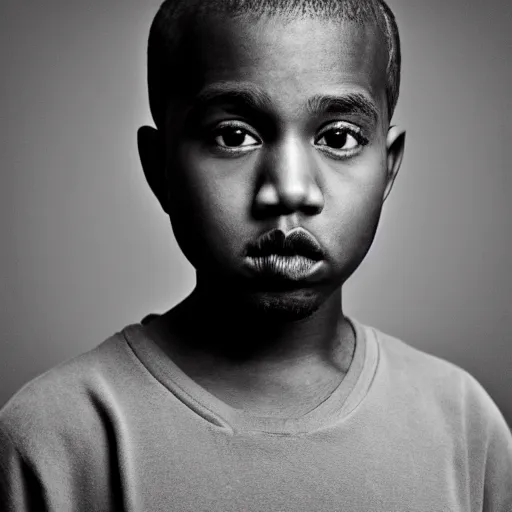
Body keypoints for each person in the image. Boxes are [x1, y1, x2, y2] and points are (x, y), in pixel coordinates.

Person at [1, 0, 511, 510]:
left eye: (339, 137)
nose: (289, 190)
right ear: (159, 170)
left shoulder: (462, 423)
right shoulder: (55, 435)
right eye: (234, 136)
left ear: (388, 169)